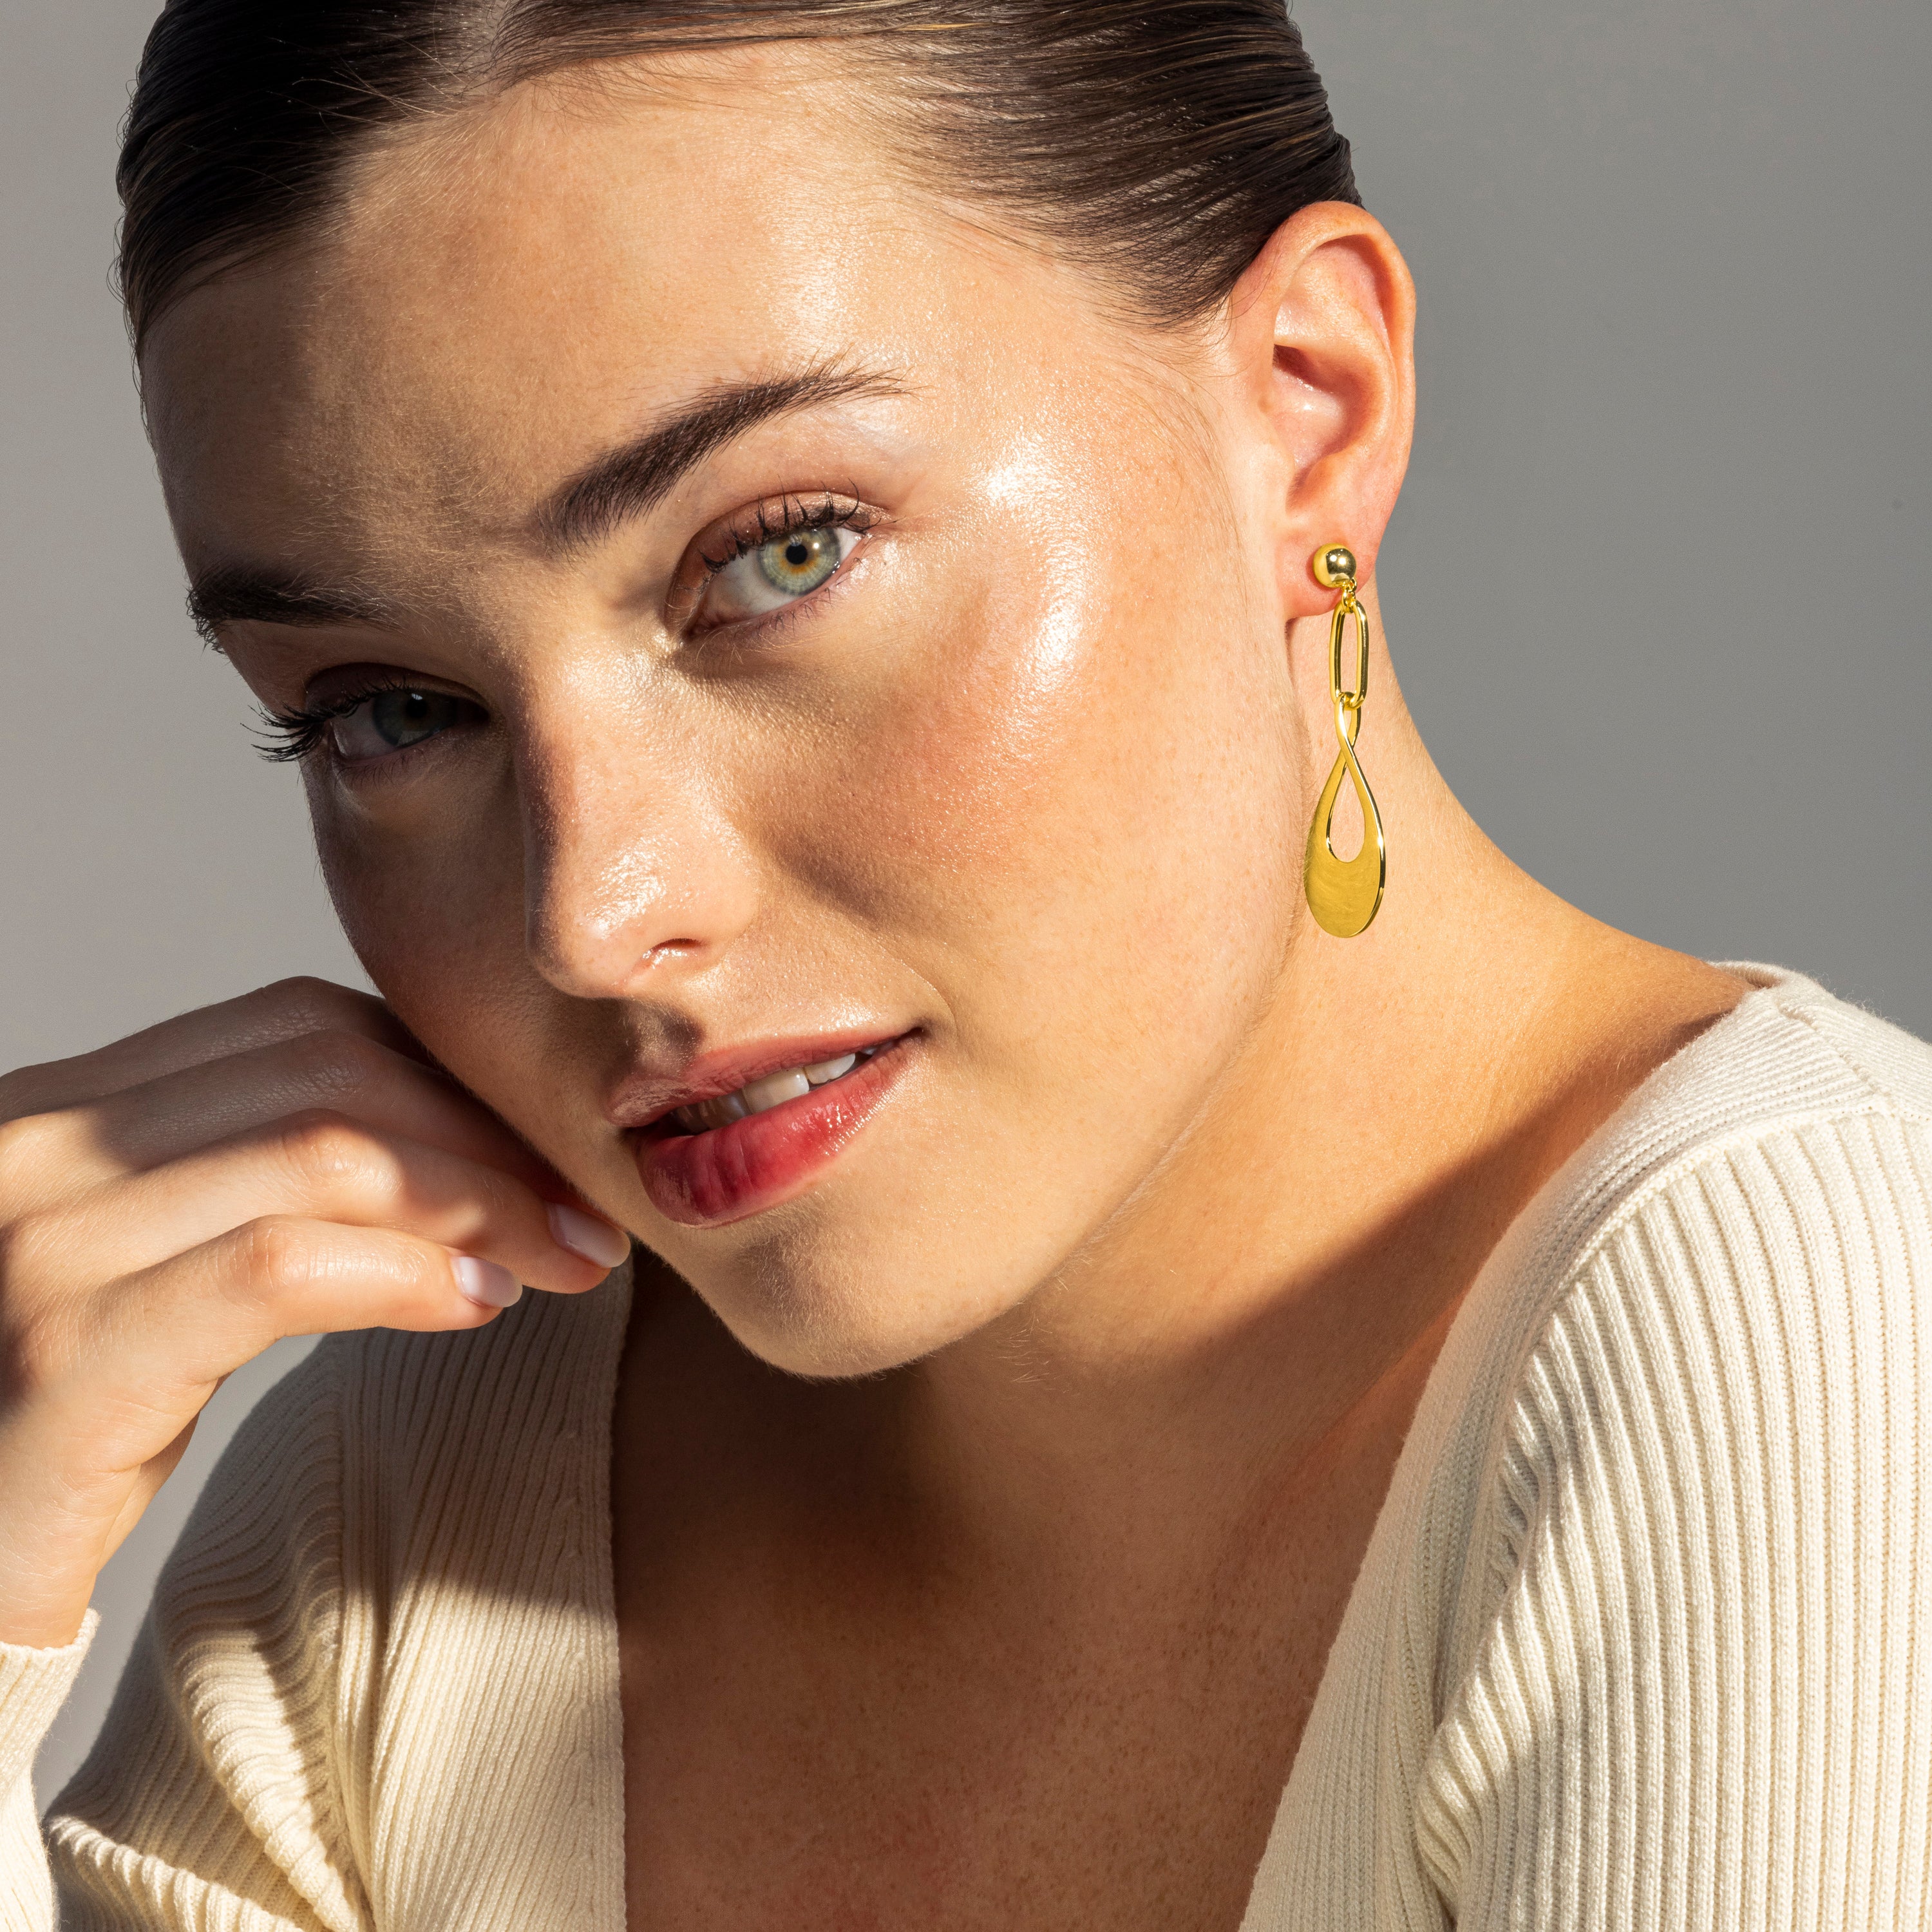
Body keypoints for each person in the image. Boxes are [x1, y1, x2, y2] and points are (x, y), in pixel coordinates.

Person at [3, 2, 1929, 1926]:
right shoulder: (413, 1508)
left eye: (780, 553)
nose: (591, 916)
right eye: (392, 708)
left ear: (1307, 409)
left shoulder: (1795, 1332)